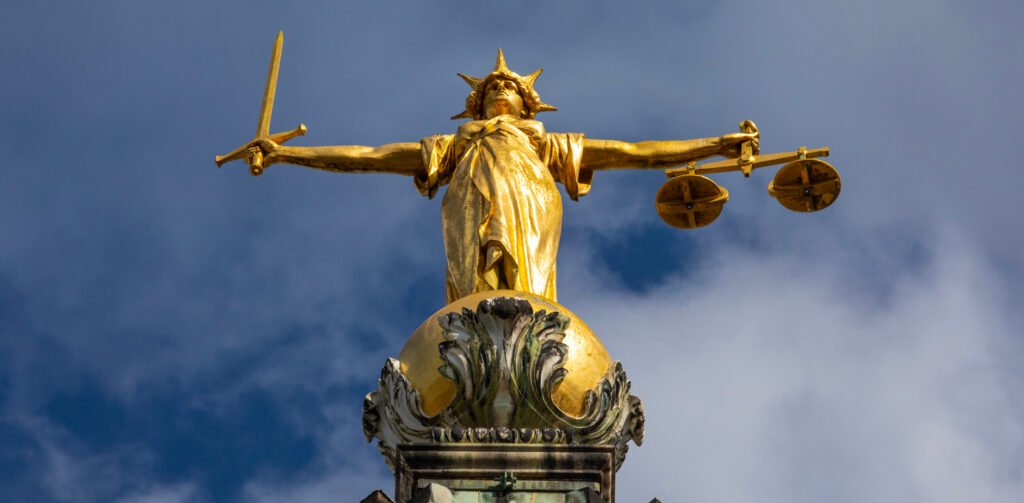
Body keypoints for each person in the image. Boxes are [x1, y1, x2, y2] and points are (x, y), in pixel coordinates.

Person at [251, 50, 759, 303]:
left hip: (531, 201)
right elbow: (371, 155)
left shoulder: (542, 141)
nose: (499, 89)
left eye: (508, 87)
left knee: (527, 297)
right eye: (491, 87)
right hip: (468, 202)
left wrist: (717, 144)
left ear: (527, 102)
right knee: (476, 289)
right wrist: (288, 155)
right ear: (476, 103)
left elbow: (635, 152)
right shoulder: (456, 144)